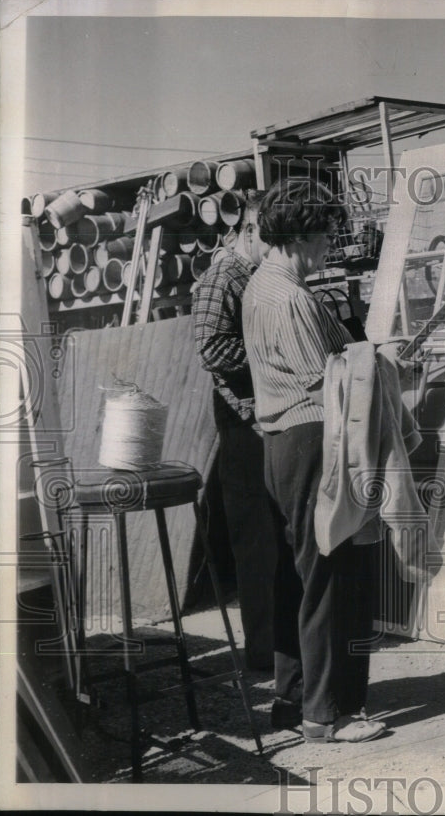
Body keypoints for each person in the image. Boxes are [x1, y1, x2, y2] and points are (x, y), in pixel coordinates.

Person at [242, 176, 386, 744]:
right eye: (326, 234)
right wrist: (380, 365)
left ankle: (296, 698)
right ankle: (328, 715)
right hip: (311, 439)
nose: (331, 245)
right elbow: (324, 380)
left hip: (284, 443)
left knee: (303, 577)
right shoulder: (291, 296)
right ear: (301, 234)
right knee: (333, 576)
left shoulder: (261, 286)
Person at [192, 190, 278, 671]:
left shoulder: (256, 272)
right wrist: (271, 355)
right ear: (248, 231)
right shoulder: (225, 274)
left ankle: (280, 642)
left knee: (275, 534)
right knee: (256, 539)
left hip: (264, 411)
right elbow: (210, 349)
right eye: (270, 237)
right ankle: (264, 652)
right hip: (241, 419)